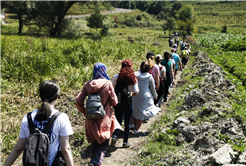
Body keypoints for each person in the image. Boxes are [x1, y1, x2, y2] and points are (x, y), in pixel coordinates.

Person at [4, 80, 74, 166]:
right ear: (57, 97)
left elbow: (18, 148)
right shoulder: (61, 118)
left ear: (40, 96)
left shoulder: (28, 118)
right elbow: (65, 149)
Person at [76, 63, 122, 166]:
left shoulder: (88, 84)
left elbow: (78, 100)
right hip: (104, 118)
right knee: (103, 143)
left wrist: (84, 111)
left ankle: (93, 160)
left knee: (94, 141)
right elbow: (114, 102)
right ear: (103, 70)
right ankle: (95, 162)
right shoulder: (107, 83)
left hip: (90, 117)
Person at [111, 60, 139, 148]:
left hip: (118, 103)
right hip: (128, 103)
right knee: (127, 122)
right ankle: (125, 142)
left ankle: (115, 136)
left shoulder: (116, 77)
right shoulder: (133, 78)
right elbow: (136, 92)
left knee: (117, 121)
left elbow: (112, 89)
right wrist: (130, 94)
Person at [131, 61, 161, 134]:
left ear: (140, 67)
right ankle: (136, 130)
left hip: (135, 95)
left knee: (134, 109)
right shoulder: (149, 76)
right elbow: (152, 88)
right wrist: (155, 96)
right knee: (142, 112)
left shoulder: (134, 74)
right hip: (145, 96)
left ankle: (132, 124)